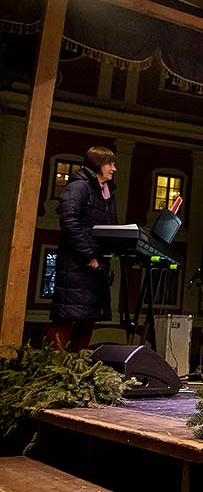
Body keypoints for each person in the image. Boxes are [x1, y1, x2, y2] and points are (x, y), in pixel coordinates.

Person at [49, 146, 119, 350]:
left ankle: (77, 369)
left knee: (87, 317)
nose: (113, 169)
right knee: (67, 316)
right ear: (97, 164)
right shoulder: (79, 187)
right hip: (78, 265)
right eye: (110, 163)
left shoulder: (106, 191)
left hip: (96, 266)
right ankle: (54, 366)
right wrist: (88, 255)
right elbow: (69, 221)